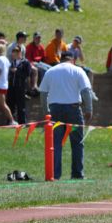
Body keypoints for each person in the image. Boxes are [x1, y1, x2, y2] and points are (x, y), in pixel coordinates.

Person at [39, 50, 93, 180]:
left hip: (55, 111)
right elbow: (86, 91)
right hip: (73, 110)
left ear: (60, 59)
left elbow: (43, 93)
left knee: (56, 144)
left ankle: (55, 174)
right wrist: (89, 109)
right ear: (73, 59)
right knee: (77, 143)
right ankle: (77, 173)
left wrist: (46, 112)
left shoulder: (50, 71)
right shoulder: (78, 70)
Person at [7, 44, 30, 124]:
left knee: (21, 106)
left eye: (16, 51)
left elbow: (27, 74)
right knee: (10, 105)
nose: (14, 53)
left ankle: (22, 123)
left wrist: (17, 71)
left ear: (20, 52)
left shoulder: (25, 62)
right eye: (13, 51)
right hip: (12, 87)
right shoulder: (12, 62)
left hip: (20, 87)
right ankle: (10, 122)